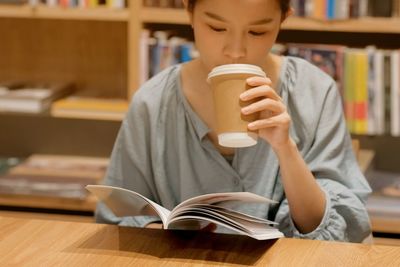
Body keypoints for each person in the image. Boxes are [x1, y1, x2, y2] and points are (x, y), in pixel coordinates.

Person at [95, 0, 372, 242]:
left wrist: (285, 148)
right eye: (216, 28)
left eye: (257, 31)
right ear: (189, 12)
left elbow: (337, 234)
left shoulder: (314, 91)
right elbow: (118, 221)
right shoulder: (152, 103)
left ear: (283, 19)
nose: (236, 51)